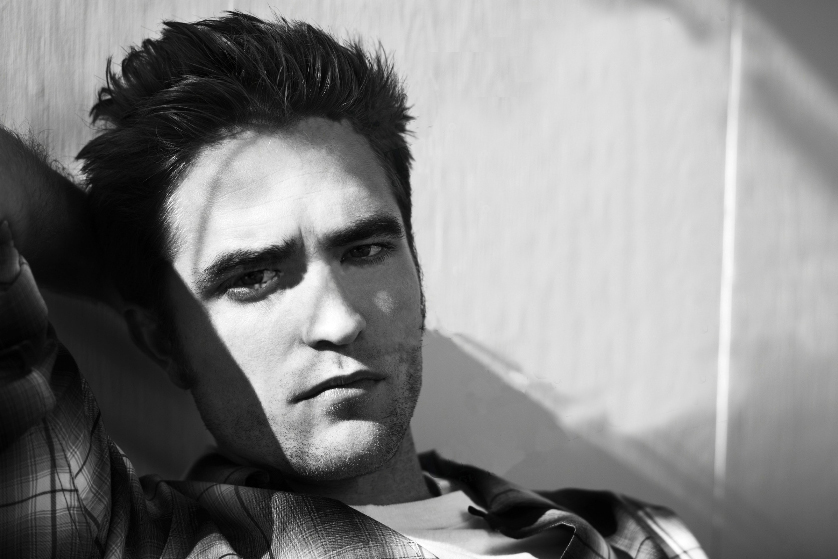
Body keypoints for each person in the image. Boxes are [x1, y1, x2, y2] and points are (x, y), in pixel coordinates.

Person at [0, 12, 707, 558]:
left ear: (417, 266)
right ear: (161, 339)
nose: (339, 319)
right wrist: (134, 273)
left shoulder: (634, 533)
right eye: (254, 276)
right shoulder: (126, 539)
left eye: (365, 249)